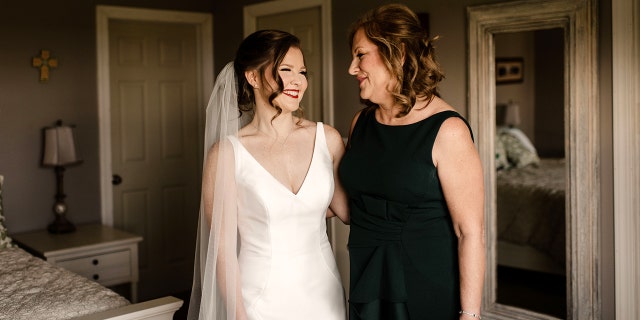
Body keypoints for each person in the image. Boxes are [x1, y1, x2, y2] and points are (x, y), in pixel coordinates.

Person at [188, 29, 349, 320]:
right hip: (259, 298)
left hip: (325, 293)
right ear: (252, 77)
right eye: (285, 69)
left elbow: (348, 211)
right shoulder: (226, 155)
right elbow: (222, 252)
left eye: (302, 71)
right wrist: (239, 316)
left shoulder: (328, 138)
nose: (297, 81)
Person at [338, 4, 485, 320]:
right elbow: (348, 207)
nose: (352, 68)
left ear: (399, 54)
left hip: (425, 286)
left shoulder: (448, 131)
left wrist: (470, 315)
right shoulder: (360, 124)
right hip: (367, 278)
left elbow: (469, 232)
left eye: (360, 55)